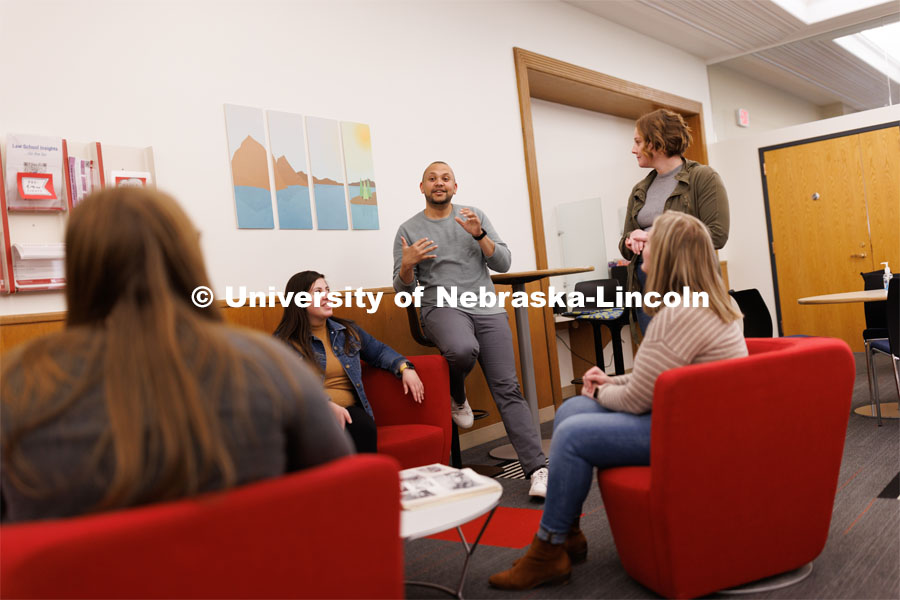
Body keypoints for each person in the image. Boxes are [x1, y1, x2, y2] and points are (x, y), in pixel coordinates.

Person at [0, 188, 352, 523]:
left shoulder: (16, 385)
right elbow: (342, 486)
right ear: (190, 257)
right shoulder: (270, 365)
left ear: (78, 268)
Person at [489, 211, 747, 590]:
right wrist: (610, 380)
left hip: (691, 436)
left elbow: (640, 398)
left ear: (668, 258)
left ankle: (548, 549)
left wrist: (601, 390)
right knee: (572, 410)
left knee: (573, 434)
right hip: (699, 420)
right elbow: (660, 376)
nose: (639, 255)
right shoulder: (707, 302)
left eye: (648, 247)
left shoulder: (680, 315)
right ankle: (568, 534)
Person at [393, 161, 548, 498]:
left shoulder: (473, 216)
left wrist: (479, 235)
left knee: (508, 388)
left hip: (487, 308)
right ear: (421, 187)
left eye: (445, 178)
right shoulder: (408, 228)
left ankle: (537, 470)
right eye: (432, 179)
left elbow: (503, 264)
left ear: (455, 186)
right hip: (441, 306)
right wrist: (408, 265)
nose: (439, 183)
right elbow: (403, 291)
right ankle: (458, 396)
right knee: (462, 349)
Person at [274, 270, 425, 453]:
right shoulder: (284, 342)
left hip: (350, 413)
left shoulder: (346, 331)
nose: (327, 296)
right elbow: (285, 388)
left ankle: (365, 479)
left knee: (361, 426)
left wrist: (405, 367)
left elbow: (378, 352)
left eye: (327, 290)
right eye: (318, 292)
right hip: (311, 415)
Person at [621, 108, 730, 333]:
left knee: (695, 359)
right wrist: (630, 241)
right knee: (659, 360)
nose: (633, 150)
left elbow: (717, 234)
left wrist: (652, 236)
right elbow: (625, 244)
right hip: (647, 284)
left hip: (689, 284)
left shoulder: (703, 177)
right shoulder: (640, 189)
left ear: (656, 142)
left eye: (638, 142)